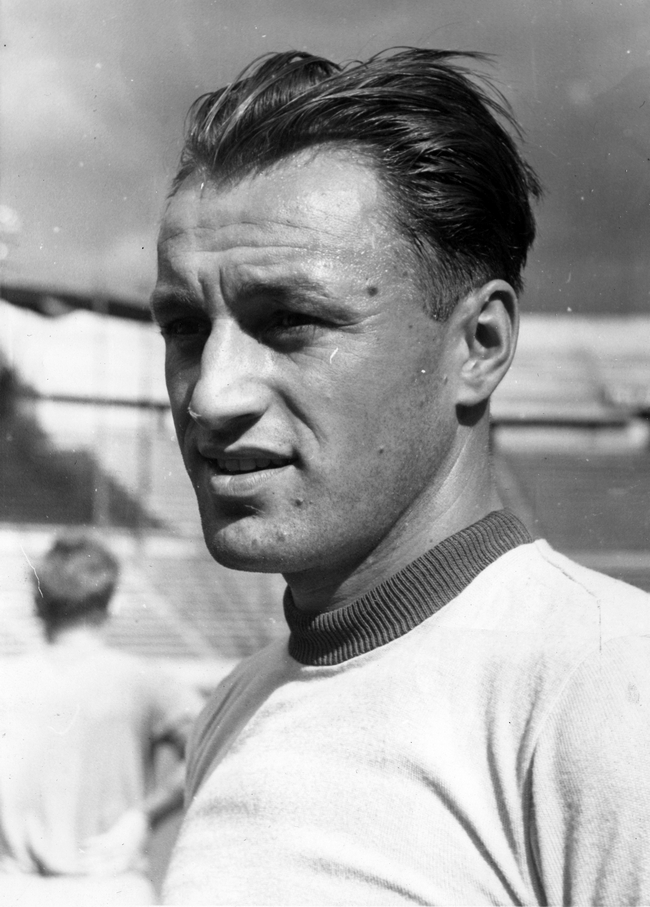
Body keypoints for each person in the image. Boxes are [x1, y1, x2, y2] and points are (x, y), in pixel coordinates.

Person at [152, 49, 650, 905]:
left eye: (292, 319)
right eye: (186, 327)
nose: (211, 393)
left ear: (479, 345)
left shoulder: (609, 685)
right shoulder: (235, 707)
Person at [0, 533, 203, 906]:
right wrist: (144, 816)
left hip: (14, 891)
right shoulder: (143, 678)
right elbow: (214, 746)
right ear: (113, 602)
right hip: (112, 889)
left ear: (37, 603)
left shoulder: (6, 681)